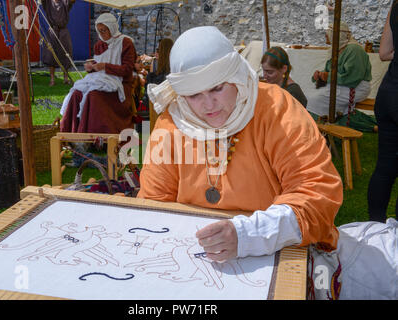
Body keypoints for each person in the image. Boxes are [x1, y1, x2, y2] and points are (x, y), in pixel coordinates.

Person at [136, 26, 397, 300]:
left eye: (217, 88)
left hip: (281, 253)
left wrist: (248, 235)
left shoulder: (277, 109)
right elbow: (154, 207)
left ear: (236, 76)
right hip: (200, 263)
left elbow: (318, 196)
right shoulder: (171, 124)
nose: (208, 105)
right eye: (193, 95)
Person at [59, 13, 137, 134]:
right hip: (101, 81)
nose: (101, 34)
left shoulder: (126, 43)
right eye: (99, 31)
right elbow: (99, 66)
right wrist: (92, 67)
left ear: (112, 28)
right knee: (76, 94)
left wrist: (105, 67)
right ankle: (71, 134)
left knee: (93, 96)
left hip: (120, 84)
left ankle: (95, 138)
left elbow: (127, 69)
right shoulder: (99, 45)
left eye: (104, 30)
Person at [368, 1, 398, 222]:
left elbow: (385, 52)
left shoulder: (395, 4)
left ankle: (375, 225)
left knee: (385, 164)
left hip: (388, 92)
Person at [307, 22, 372, 118]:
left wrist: (328, 76)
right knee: (308, 95)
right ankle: (329, 122)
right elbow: (329, 71)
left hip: (357, 87)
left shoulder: (354, 50)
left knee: (315, 100)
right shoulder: (336, 49)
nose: (325, 36)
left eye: (328, 34)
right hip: (340, 84)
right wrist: (319, 75)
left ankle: (321, 126)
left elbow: (353, 78)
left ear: (336, 35)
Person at [41, 0, 75, 86]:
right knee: (51, 54)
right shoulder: (47, 2)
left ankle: (66, 78)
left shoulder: (64, 2)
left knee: (66, 53)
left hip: (63, 31)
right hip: (52, 31)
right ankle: (52, 79)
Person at [142, 38, 174, 108]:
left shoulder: (155, 64)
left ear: (163, 51)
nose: (155, 53)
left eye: (158, 50)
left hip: (158, 105)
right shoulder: (174, 64)